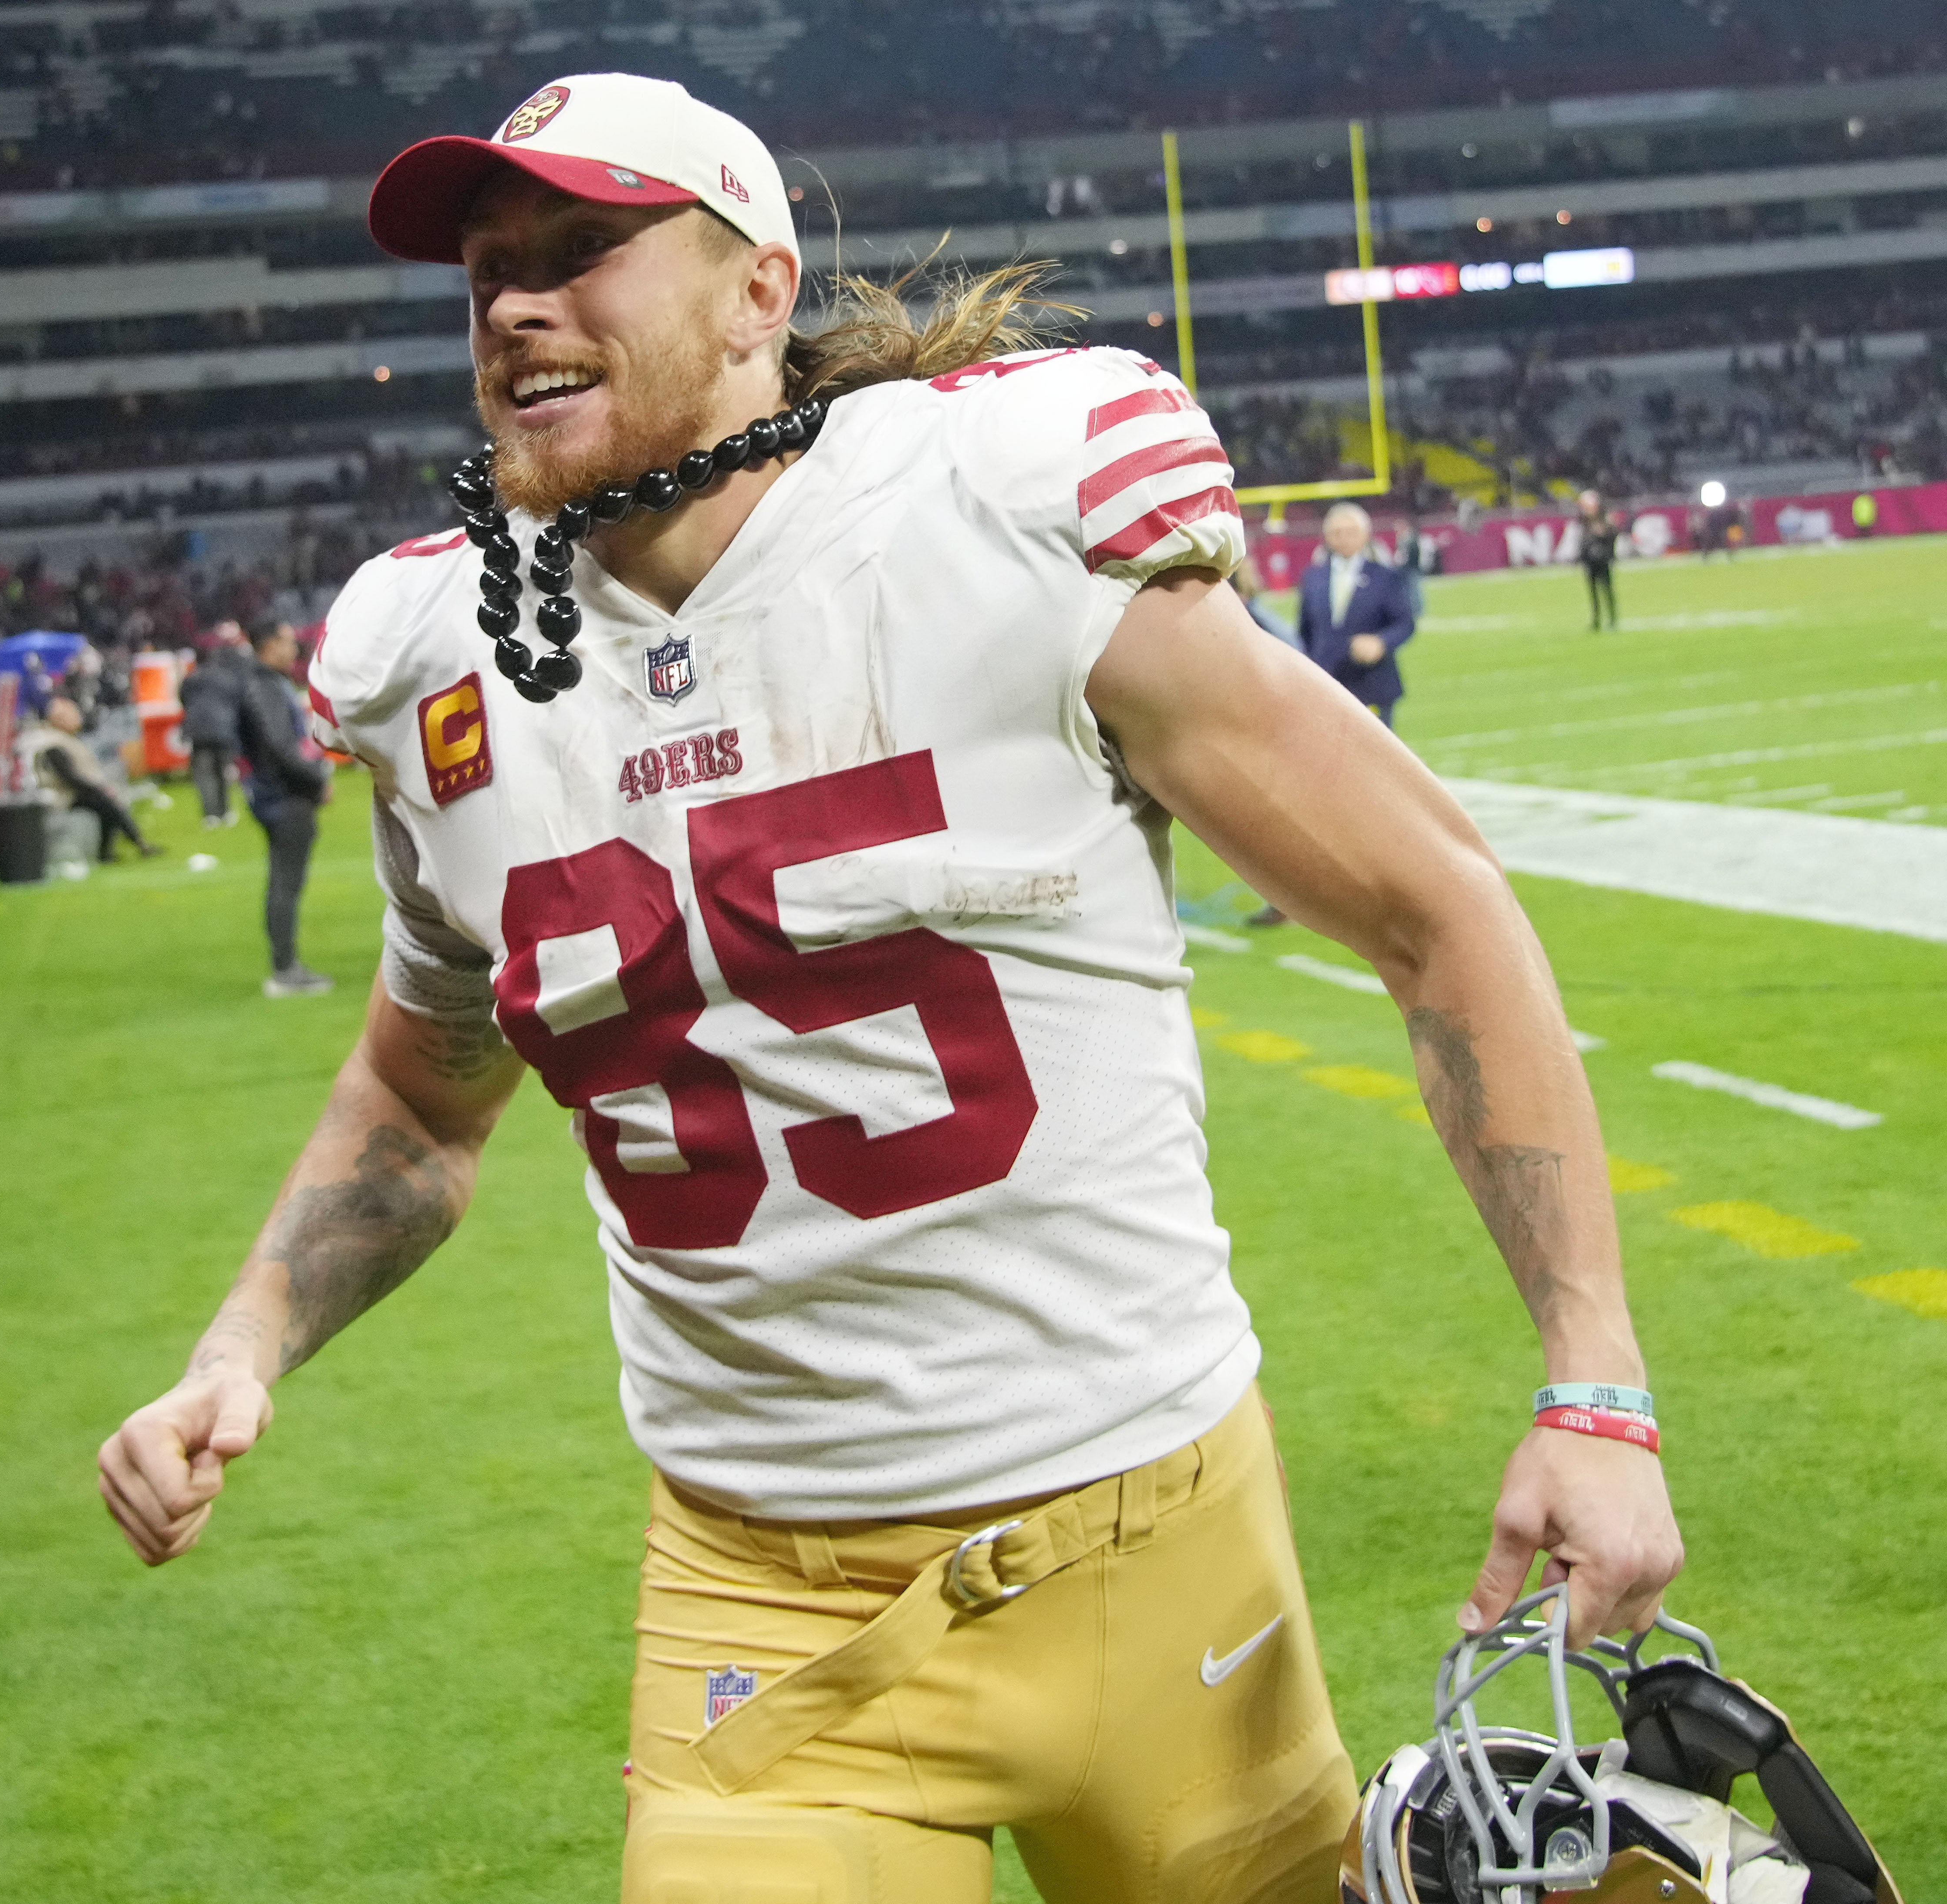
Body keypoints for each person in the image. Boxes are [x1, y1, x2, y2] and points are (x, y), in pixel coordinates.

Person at [98, 74, 1680, 1904]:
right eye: (486, 270)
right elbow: (420, 1097)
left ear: (757, 291)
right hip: (759, 1602)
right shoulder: (432, 655)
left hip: (1151, 1540)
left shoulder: (991, 508)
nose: (514, 301)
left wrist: (1594, 1385)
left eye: (581, 246)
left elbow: (1433, 908)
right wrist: (240, 1345)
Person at [233, 624, 332, 997]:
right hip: (283, 796)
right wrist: (317, 779)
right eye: (289, 642)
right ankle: (285, 970)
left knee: (284, 882)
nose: (295, 649)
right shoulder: (265, 687)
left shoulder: (264, 684)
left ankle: (286, 966)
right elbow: (280, 746)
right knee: (285, 883)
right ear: (270, 645)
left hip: (275, 794)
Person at [1295, 501, 1415, 727]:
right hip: (1326, 684)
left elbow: (1405, 623)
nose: (1344, 539)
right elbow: (1305, 631)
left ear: (1365, 535)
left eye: (1351, 532)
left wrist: (1381, 642)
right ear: (1327, 537)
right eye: (1337, 533)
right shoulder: (1313, 578)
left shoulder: (1385, 577)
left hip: (1371, 682)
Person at [29, 695, 159, 859]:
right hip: (61, 797)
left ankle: (109, 850)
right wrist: (99, 788)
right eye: (70, 716)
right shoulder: (54, 743)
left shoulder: (63, 739)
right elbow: (71, 778)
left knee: (105, 802)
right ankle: (138, 843)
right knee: (105, 801)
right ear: (57, 720)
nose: (76, 719)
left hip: (72, 793)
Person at [178, 626, 247, 829]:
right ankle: (225, 812)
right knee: (223, 771)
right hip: (224, 730)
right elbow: (237, 700)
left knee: (204, 773)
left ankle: (211, 814)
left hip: (198, 731)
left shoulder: (190, 679)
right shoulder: (226, 677)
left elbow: (183, 700)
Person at [1576, 490, 1622, 630]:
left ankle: (1612, 619)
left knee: (1607, 590)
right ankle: (1597, 620)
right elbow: (1583, 542)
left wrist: (1603, 534)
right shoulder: (1584, 521)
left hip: (1603, 559)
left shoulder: (1605, 519)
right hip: (1590, 561)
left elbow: (1612, 535)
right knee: (1593, 593)